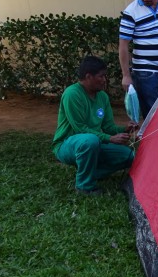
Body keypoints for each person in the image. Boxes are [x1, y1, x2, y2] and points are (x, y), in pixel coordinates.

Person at [52, 55, 137, 195]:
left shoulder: (102, 97)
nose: (104, 80)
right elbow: (80, 129)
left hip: (95, 143)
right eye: (101, 76)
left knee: (129, 156)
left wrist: (125, 129)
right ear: (88, 76)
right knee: (89, 141)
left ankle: (92, 172)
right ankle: (84, 186)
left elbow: (109, 127)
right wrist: (110, 139)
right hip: (67, 144)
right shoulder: (72, 94)